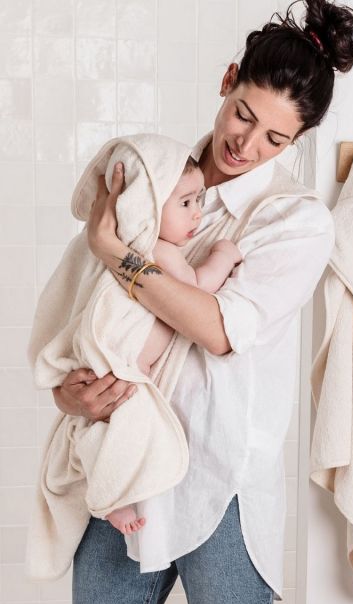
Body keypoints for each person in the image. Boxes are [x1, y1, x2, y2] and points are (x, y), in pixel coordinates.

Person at [51, 1, 353, 604]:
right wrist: (71, 393)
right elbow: (72, 320)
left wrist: (115, 251)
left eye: (274, 139)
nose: (246, 145)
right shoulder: (149, 177)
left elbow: (218, 327)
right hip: (127, 472)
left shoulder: (294, 220)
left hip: (225, 488)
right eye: (243, 115)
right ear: (228, 83)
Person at [106, 155, 243, 536]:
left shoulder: (136, 247)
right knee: (131, 432)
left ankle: (115, 490)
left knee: (117, 431)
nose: (197, 214)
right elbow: (196, 288)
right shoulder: (160, 251)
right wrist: (223, 255)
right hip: (128, 364)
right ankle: (116, 497)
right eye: (185, 204)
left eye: (199, 201)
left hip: (127, 365)